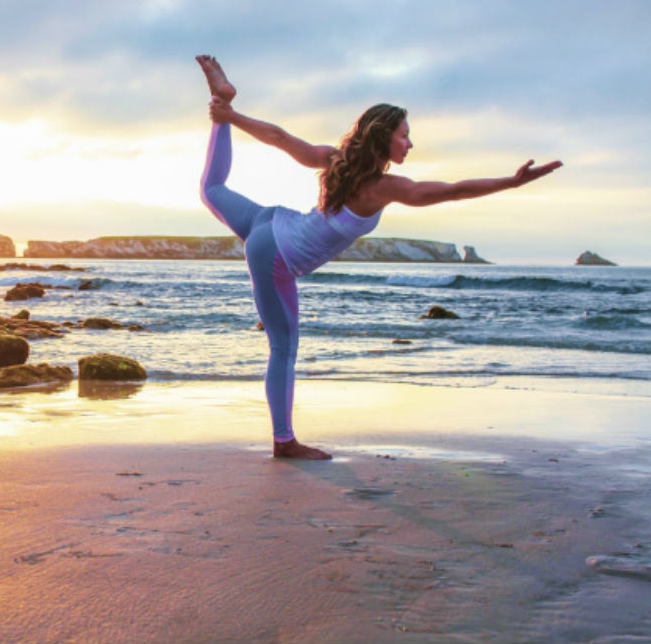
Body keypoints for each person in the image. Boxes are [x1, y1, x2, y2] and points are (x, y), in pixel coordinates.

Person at [196, 54, 562, 460]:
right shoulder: (384, 187)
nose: (410, 143)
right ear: (382, 136)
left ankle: (220, 108)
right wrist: (510, 183)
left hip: (268, 222)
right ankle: (285, 443)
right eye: (405, 135)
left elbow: (283, 139)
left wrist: (232, 116)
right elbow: (454, 190)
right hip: (277, 258)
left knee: (212, 189)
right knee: (283, 349)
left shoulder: (338, 161)